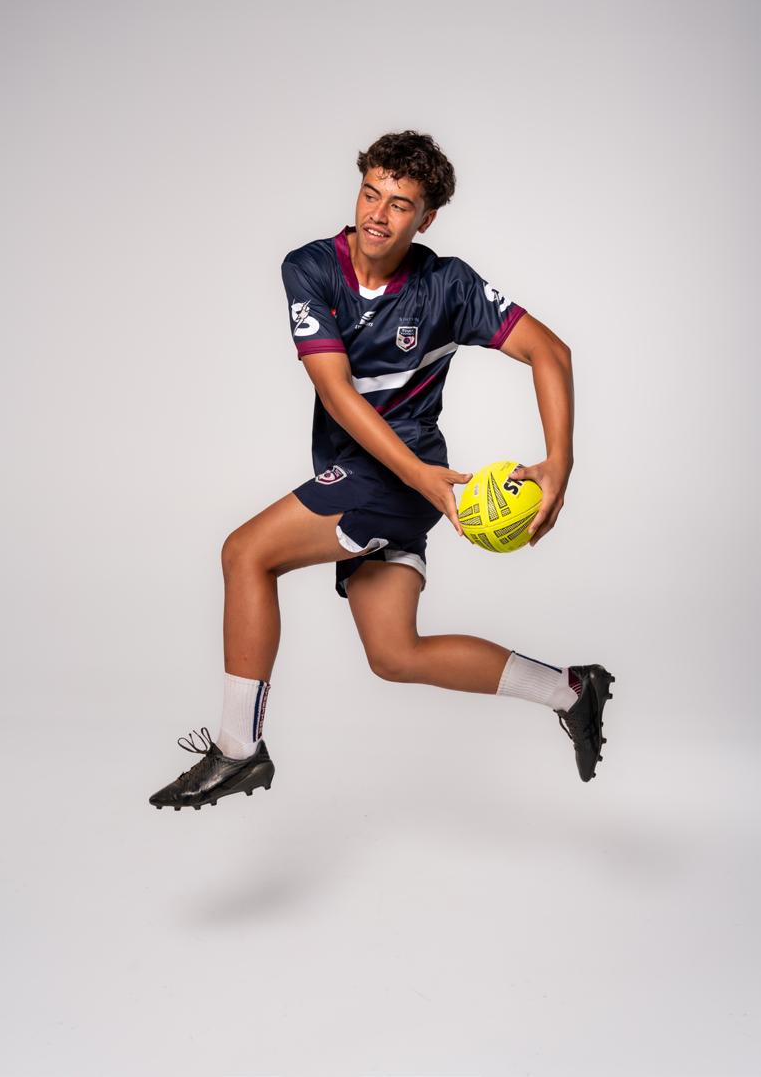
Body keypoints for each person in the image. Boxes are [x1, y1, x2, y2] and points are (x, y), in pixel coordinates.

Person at [149, 130, 615, 811]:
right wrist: (422, 479)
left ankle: (237, 749)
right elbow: (336, 390)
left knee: (245, 553)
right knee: (396, 654)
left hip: (399, 479)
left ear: (426, 218)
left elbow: (552, 353)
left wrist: (559, 466)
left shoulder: (447, 285)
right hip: (386, 476)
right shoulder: (311, 268)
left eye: (400, 204)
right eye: (371, 193)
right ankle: (572, 689)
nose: (378, 213)